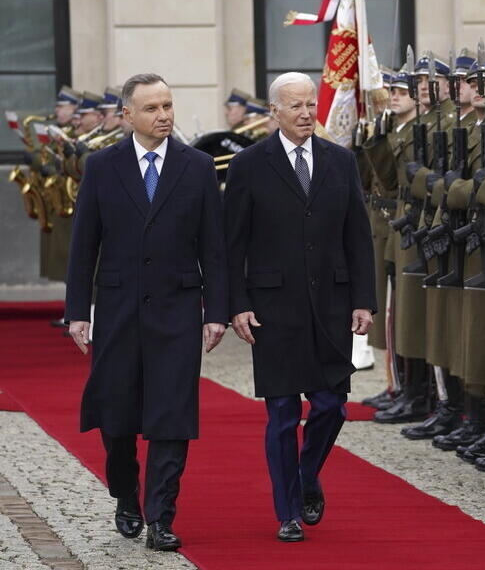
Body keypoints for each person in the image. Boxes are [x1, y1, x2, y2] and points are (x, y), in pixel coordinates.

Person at [64, 72, 228, 552]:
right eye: (152, 108)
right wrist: (78, 312)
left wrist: (215, 311)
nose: (164, 116)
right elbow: (83, 247)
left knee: (171, 414)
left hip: (178, 309)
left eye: (168, 106)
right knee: (116, 418)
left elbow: (213, 248)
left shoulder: (197, 166)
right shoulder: (101, 166)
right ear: (127, 115)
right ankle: (125, 495)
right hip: (117, 310)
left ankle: (160, 516)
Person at [224, 71, 376, 543]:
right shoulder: (249, 164)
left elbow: (358, 235)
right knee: (283, 414)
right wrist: (237, 305)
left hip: (331, 303)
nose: (307, 113)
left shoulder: (339, 161)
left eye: (311, 104)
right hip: (274, 308)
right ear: (275, 112)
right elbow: (233, 245)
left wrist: (364, 301)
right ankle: (287, 510)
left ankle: (308, 473)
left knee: (332, 406)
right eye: (295, 106)